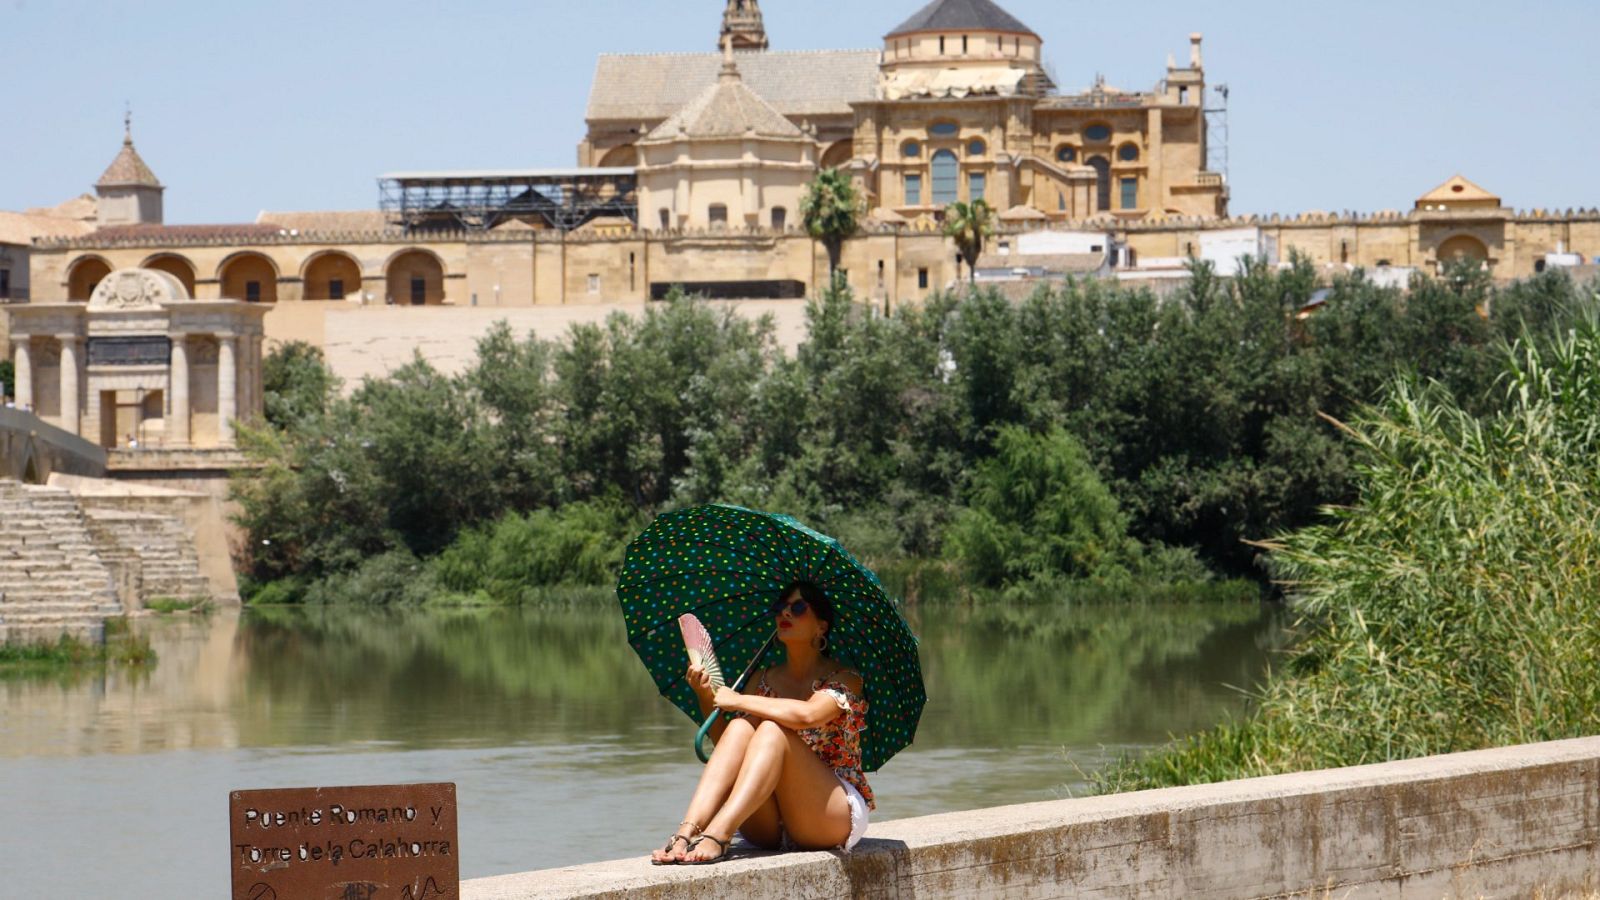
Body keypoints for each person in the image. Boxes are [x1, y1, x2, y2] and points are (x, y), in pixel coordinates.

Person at [650, 581, 872, 865]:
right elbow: (727, 748)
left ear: (821, 627)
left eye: (798, 607)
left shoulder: (846, 678)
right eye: (781, 607)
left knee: (770, 731)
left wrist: (739, 701)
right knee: (740, 728)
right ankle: (686, 833)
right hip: (769, 823)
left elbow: (808, 715)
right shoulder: (762, 678)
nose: (785, 613)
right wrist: (706, 696)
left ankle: (718, 833)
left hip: (827, 814)